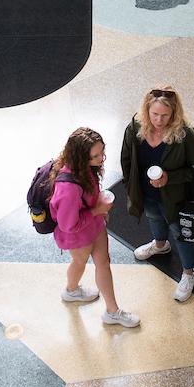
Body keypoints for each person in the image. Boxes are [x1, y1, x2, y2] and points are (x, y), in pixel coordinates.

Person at [120, 85, 194, 303]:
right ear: (146, 110)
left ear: (174, 113)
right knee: (154, 216)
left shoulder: (185, 134)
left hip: (177, 197)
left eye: (165, 115)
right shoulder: (135, 127)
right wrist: (130, 184)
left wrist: (171, 178)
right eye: (154, 114)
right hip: (147, 191)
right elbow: (127, 158)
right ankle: (160, 245)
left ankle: (189, 273)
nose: (159, 120)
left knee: (181, 231)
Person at [51, 127, 139, 328]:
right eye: (95, 156)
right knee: (79, 263)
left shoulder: (85, 169)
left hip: (95, 224)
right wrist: (97, 210)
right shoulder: (68, 189)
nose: (102, 159)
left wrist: (98, 208)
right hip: (77, 234)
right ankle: (71, 291)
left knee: (103, 263)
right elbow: (67, 225)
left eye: (102, 152)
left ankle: (112, 311)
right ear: (81, 157)